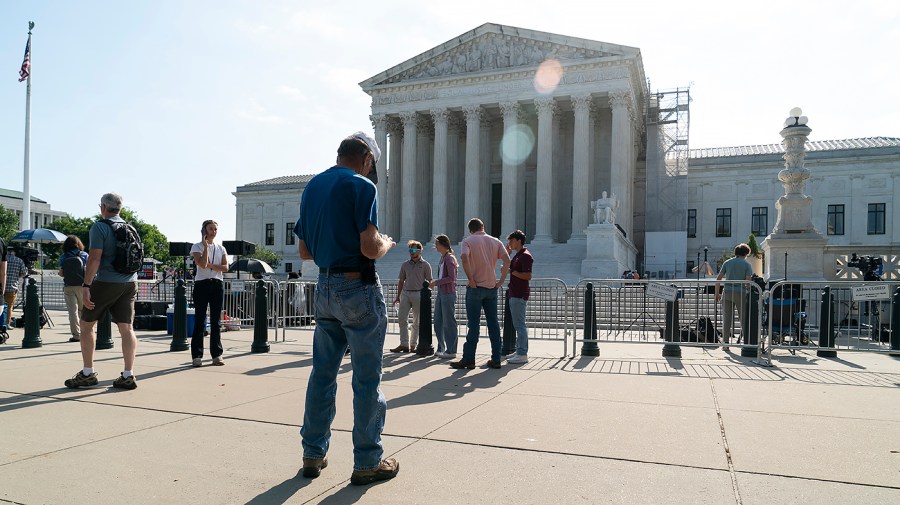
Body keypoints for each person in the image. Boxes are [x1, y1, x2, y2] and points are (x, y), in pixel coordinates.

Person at [294, 131, 399, 485]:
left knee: (322, 375)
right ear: (367, 159)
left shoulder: (312, 187)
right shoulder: (362, 187)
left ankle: (313, 453)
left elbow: (304, 252)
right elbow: (369, 248)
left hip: (323, 286)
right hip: (357, 286)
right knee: (366, 379)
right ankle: (368, 460)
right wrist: (386, 243)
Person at [64, 192, 139, 390]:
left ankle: (88, 373)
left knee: (87, 325)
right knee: (127, 328)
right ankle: (128, 374)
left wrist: (87, 286)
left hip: (107, 282)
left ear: (103, 207)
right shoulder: (129, 227)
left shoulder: (100, 227)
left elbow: (95, 258)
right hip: (130, 283)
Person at [450, 218, 510, 370]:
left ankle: (469, 359)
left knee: (474, 326)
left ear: (470, 230)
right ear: (483, 227)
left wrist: (471, 279)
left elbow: (464, 257)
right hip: (491, 288)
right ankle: (496, 358)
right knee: (493, 325)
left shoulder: (468, 241)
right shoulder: (496, 241)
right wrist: (501, 281)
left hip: (475, 287)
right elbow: (507, 260)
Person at [190, 219, 229, 367]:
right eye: (210, 229)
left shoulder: (221, 248)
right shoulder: (197, 246)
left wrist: (213, 266)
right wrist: (205, 246)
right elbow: (201, 264)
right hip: (202, 284)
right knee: (200, 320)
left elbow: (225, 268)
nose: (213, 232)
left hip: (217, 284)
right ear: (204, 230)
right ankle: (197, 355)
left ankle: (217, 354)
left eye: (215, 229)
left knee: (215, 321)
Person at [391, 240, 432, 354]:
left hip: (418, 294)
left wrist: (426, 296)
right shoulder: (405, 265)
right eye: (410, 250)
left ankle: (413, 345)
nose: (411, 252)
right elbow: (401, 281)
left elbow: (430, 281)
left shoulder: (425, 265)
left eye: (414, 250)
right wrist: (398, 296)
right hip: (406, 293)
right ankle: (404, 344)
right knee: (401, 319)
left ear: (420, 250)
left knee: (416, 321)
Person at [715, 243, 754, 351]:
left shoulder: (727, 262)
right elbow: (748, 282)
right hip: (740, 293)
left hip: (727, 291)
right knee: (743, 318)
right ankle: (746, 343)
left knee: (727, 318)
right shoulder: (747, 265)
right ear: (746, 253)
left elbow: (718, 278)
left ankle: (726, 343)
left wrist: (717, 293)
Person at [504, 230, 533, 364]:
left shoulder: (525, 256)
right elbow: (508, 268)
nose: (510, 243)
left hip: (519, 293)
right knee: (517, 324)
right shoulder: (517, 255)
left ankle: (522, 353)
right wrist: (508, 254)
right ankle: (520, 350)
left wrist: (512, 272)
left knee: (520, 324)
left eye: (512, 240)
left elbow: (527, 276)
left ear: (519, 241)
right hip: (514, 292)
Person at [429, 234, 458, 359]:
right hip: (442, 293)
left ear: (442, 244)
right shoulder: (443, 258)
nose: (435, 246)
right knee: (438, 321)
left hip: (448, 293)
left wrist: (436, 282)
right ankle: (441, 347)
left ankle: (451, 350)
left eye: (437, 244)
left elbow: (451, 278)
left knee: (449, 322)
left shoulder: (449, 258)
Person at [57, 235, 89, 341]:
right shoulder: (84, 255)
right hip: (82, 286)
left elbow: (61, 273)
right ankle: (85, 332)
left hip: (68, 286)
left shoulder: (63, 257)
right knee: (82, 310)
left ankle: (76, 335)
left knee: (72, 311)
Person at [3, 250, 28, 328]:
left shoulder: (3, 259)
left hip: (2, 286)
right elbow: (24, 273)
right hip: (12, 286)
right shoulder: (19, 260)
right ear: (15, 252)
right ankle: (7, 323)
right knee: (9, 306)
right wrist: (17, 275)